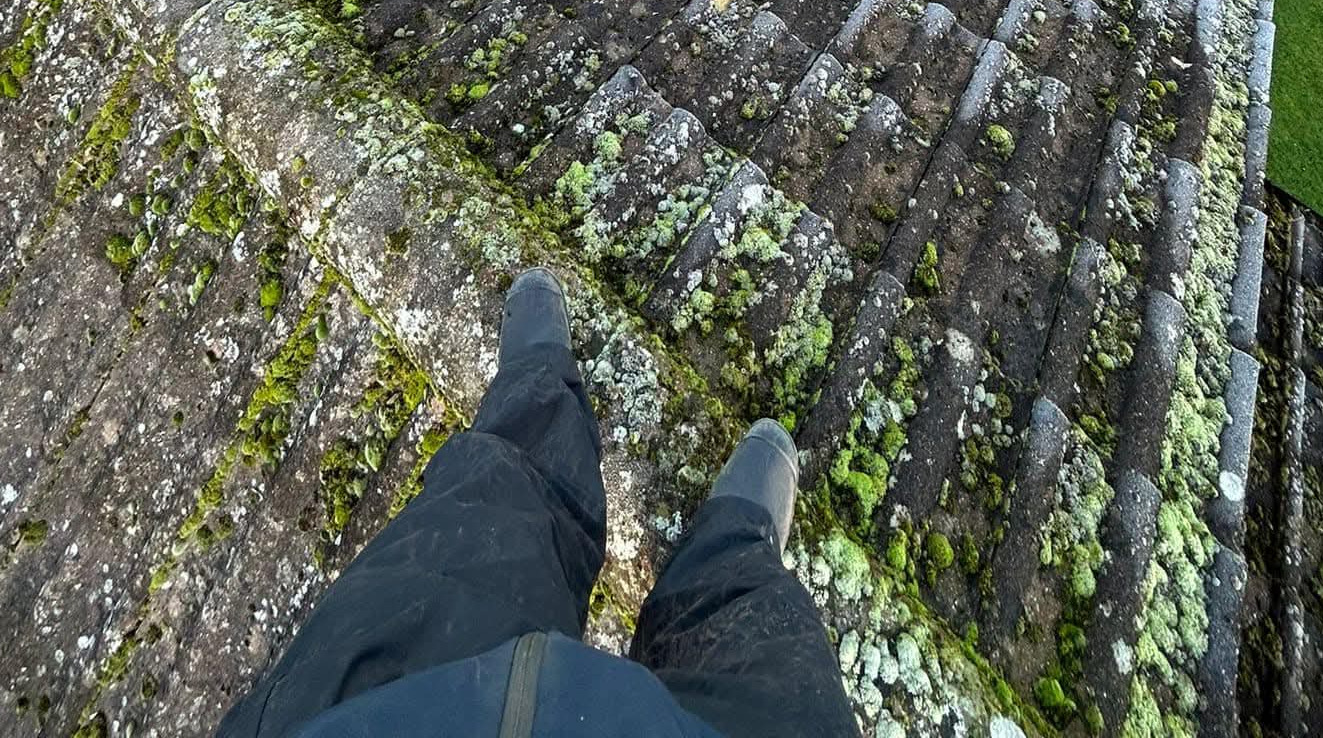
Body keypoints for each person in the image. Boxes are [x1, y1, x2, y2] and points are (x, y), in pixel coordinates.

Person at [218, 268, 860, 738]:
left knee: (482, 509)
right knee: (775, 660)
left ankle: (538, 392)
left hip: (370, 712)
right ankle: (737, 550)